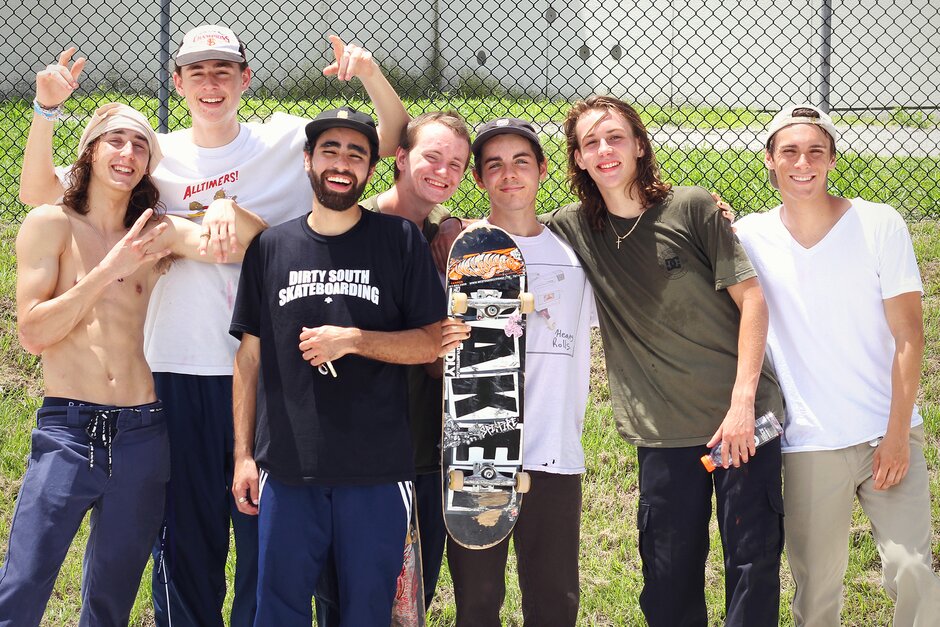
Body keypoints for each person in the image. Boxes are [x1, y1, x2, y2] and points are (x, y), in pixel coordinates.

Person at [18, 25, 408, 627]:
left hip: (266, 371)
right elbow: (42, 192)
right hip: (178, 370)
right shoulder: (154, 153)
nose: (211, 83)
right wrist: (46, 110)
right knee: (187, 542)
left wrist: (370, 74)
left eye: (224, 70)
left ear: (246, 80)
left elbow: (390, 138)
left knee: (262, 542)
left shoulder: (280, 142)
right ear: (176, 83)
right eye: (197, 72)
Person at [0, 103, 265, 627]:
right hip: (69, 431)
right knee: (24, 584)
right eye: (116, 141)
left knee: (112, 597)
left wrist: (223, 208)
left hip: (143, 433)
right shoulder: (50, 224)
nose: (128, 154)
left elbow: (251, 248)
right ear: (91, 151)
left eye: (140, 145)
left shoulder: (157, 233)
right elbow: (33, 333)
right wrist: (109, 270)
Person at [541, 95, 786, 626]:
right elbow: (503, 225)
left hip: (743, 420)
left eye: (615, 138)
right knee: (668, 578)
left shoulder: (693, 208)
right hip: (664, 433)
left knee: (753, 564)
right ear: (578, 159)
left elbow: (753, 301)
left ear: (639, 145)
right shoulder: (575, 229)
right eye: (591, 143)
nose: (605, 150)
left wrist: (742, 404)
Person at [229, 107, 443, 625]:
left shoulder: (399, 241)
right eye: (330, 150)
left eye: (356, 153)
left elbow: (433, 343)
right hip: (287, 468)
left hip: (375, 472)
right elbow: (249, 357)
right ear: (307, 160)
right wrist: (243, 456)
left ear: (370, 169)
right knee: (278, 609)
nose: (341, 163)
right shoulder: (271, 247)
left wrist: (355, 339)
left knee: (366, 612)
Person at [734, 104, 940, 626]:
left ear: (830, 160)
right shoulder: (750, 236)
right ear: (770, 161)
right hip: (809, 443)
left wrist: (897, 435)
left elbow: (909, 335)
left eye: (815, 152)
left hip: (884, 433)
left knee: (912, 567)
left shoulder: (878, 223)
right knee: (817, 585)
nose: (803, 163)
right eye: (790, 152)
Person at [314, 110, 471, 623]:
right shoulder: (348, 223)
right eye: (431, 157)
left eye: (456, 164)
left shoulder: (453, 240)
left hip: (422, 449)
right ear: (398, 158)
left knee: (410, 600)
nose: (443, 172)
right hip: (351, 452)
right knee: (343, 598)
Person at [440, 118, 596, 625]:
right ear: (480, 180)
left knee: (554, 602)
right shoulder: (463, 251)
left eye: (521, 162)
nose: (509, 174)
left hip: (554, 452)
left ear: (543, 170)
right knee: (479, 603)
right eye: (494, 166)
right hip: (481, 448)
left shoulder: (577, 255)